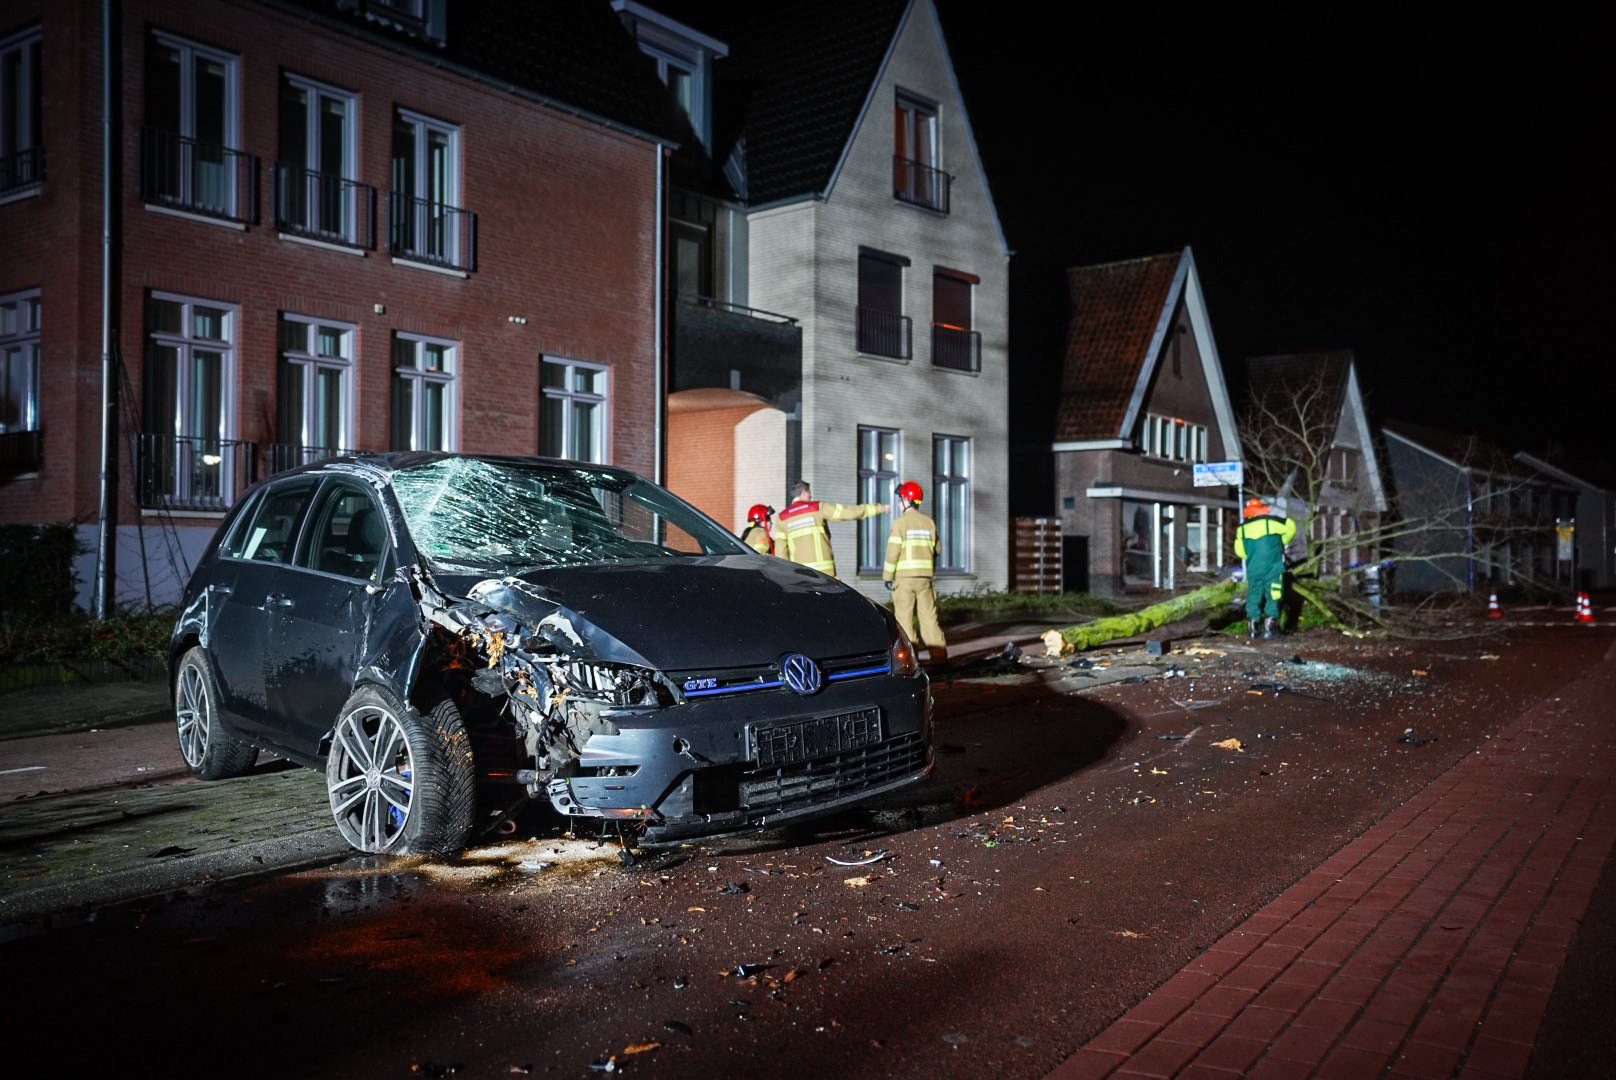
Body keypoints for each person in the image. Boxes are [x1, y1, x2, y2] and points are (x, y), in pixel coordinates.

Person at [883, 481, 947, 667]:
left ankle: (911, 662)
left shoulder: (900, 523)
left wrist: (887, 576)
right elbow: (938, 549)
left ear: (906, 500)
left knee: (904, 620)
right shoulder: (929, 523)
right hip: (925, 579)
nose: (898, 503)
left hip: (905, 580)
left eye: (900, 499)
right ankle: (940, 659)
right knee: (930, 619)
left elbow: (892, 552)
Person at [775, 480, 886, 579]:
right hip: (824, 574)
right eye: (809, 493)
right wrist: (879, 508)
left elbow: (781, 554)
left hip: (800, 575)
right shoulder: (817, 508)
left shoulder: (782, 518)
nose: (811, 497)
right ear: (804, 493)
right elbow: (848, 512)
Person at [1235, 497, 1297, 639]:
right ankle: (1270, 628)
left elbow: (1240, 551)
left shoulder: (1242, 529)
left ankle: (1253, 628)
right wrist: (1281, 541)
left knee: (1254, 594)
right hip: (1273, 566)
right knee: (1274, 593)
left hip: (1254, 568)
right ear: (1262, 510)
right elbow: (1291, 526)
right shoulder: (1273, 522)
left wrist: (1253, 555)